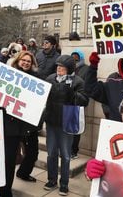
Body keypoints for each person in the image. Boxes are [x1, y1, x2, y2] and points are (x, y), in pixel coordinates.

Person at [43, 55, 88, 196]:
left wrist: (72, 92)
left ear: (69, 69)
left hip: (67, 122)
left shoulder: (77, 81)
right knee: (51, 154)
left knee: (66, 155)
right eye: (58, 66)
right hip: (51, 121)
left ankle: (64, 184)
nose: (59, 69)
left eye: (62, 67)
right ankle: (51, 180)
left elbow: (84, 101)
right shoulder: (50, 78)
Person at [0, 51, 39, 197]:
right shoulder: (8, 75)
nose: (26, 63)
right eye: (24, 60)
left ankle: (23, 173)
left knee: (32, 153)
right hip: (11, 126)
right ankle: (5, 191)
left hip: (28, 126)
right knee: (9, 161)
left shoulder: (36, 80)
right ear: (18, 60)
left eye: (29, 61)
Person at [69, 49, 90, 159]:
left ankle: (74, 151)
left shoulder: (86, 69)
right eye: (72, 57)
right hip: (67, 102)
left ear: (80, 58)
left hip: (78, 101)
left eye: (76, 57)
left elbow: (87, 86)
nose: (74, 59)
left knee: (75, 129)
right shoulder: (68, 69)